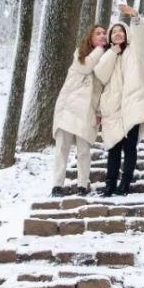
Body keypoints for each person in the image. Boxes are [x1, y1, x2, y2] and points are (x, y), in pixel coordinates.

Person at [94, 3, 144, 196]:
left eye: (121, 31)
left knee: (129, 147)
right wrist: (113, 52)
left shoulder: (135, 51)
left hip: (132, 104)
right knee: (113, 148)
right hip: (112, 108)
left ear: (127, 34)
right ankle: (109, 185)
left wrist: (134, 15)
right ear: (110, 37)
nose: (117, 33)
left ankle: (125, 184)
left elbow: (141, 36)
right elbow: (101, 74)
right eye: (114, 32)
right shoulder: (107, 56)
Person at [50, 24, 107, 196]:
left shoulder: (106, 59)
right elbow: (86, 67)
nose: (103, 36)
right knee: (62, 148)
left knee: (83, 150)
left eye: (104, 33)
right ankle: (57, 185)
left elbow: (102, 89)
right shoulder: (80, 55)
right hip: (69, 107)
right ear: (90, 38)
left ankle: (83, 184)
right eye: (98, 33)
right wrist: (100, 49)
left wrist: (99, 112)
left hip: (88, 109)